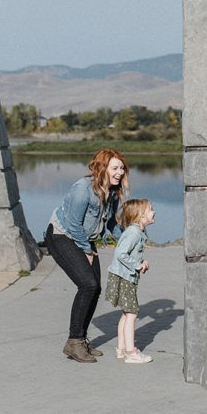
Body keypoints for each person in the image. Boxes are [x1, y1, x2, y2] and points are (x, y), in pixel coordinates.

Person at [45, 148, 129, 363]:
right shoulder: (82, 189)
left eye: (121, 168)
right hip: (61, 236)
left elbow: (110, 223)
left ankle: (79, 340)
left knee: (95, 288)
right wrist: (87, 250)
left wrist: (128, 242)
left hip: (83, 237)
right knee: (88, 285)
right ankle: (74, 342)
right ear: (102, 168)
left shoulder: (112, 192)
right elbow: (73, 224)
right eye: (115, 168)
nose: (120, 172)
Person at [105, 198, 155, 364]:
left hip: (123, 276)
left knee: (126, 314)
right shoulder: (133, 233)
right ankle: (130, 352)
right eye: (150, 210)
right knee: (132, 314)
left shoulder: (136, 232)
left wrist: (141, 263)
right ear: (140, 217)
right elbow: (120, 254)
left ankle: (121, 349)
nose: (154, 212)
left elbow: (131, 254)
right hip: (124, 278)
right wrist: (137, 265)